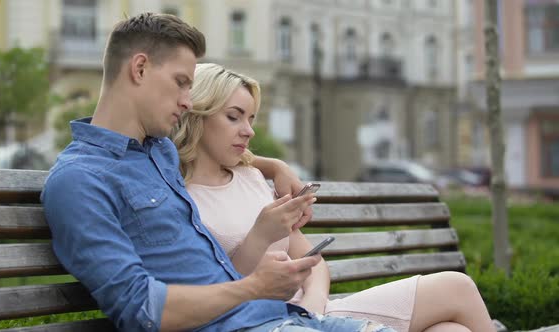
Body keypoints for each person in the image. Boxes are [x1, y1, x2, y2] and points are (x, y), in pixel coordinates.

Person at [41, 12, 397, 332]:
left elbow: (220, 156)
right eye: (181, 81)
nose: (187, 100)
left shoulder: (159, 151)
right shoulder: (79, 181)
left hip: (276, 318)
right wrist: (254, 286)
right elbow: (142, 309)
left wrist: (275, 166)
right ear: (140, 68)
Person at [172, 63, 498, 332]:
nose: (249, 130)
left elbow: (312, 262)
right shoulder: (176, 195)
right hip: (264, 322)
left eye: (251, 118)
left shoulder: (252, 178)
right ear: (198, 114)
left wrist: (315, 305)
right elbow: (213, 297)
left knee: (456, 292)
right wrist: (260, 235)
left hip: (318, 314)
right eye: (234, 117)